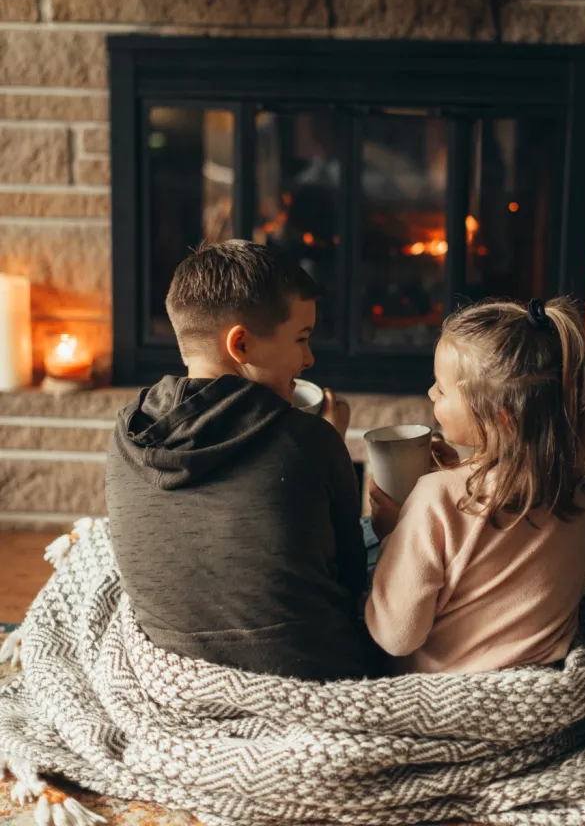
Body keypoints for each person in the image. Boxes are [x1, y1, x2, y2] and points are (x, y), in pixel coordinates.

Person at [105, 239, 381, 681]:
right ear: (241, 345)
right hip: (312, 670)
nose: (309, 359)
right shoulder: (311, 440)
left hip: (176, 667)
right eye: (301, 339)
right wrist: (329, 441)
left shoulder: (125, 434)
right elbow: (350, 583)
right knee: (387, 544)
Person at [365, 297, 585, 674]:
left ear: (501, 418)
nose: (430, 394)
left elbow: (397, 637)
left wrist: (393, 534)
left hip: (447, 688)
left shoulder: (436, 497)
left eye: (442, 390)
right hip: (537, 678)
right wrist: (462, 473)